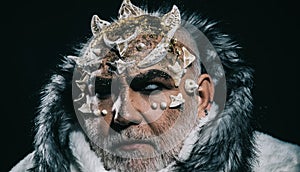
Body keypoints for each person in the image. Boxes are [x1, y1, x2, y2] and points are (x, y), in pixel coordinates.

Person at [10, 0, 300, 171]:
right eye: (101, 91)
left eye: (150, 88)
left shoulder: (283, 165)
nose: (123, 114)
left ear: (201, 97)